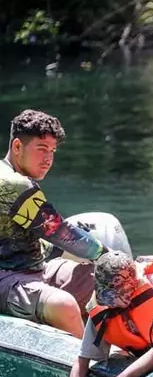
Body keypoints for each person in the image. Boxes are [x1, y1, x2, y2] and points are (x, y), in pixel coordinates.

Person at [0, 110, 108, 337]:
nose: (48, 159)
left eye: (52, 151)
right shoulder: (13, 184)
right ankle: (87, 367)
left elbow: (29, 240)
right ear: (17, 147)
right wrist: (109, 256)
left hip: (35, 269)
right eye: (41, 149)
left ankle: (125, 350)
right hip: (6, 278)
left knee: (103, 280)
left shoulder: (17, 178)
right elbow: (60, 232)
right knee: (64, 305)